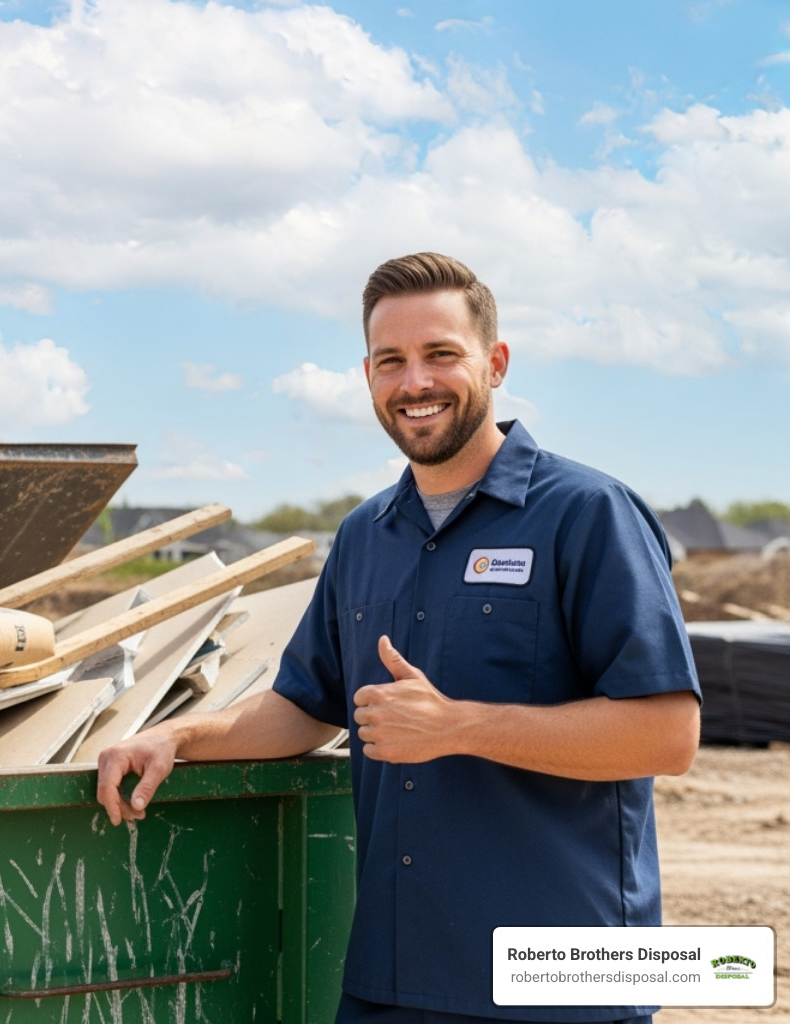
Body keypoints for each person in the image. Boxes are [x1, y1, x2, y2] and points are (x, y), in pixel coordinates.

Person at [95, 253, 701, 1024]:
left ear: (495, 362)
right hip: (393, 975)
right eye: (392, 361)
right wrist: (177, 736)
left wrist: (459, 727)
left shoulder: (588, 515)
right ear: (370, 376)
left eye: (441, 354)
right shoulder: (363, 535)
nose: (415, 382)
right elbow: (305, 706)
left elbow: (667, 735)